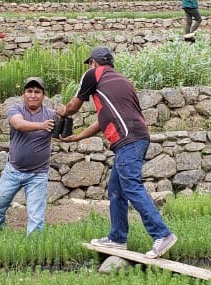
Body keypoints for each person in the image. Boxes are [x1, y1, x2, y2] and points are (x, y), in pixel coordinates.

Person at [57, 46, 178, 258]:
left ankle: (162, 234)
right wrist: (77, 137)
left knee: (131, 185)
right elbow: (104, 119)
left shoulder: (93, 74)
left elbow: (73, 107)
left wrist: (63, 111)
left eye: (89, 63)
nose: (89, 66)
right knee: (116, 188)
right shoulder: (122, 81)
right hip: (137, 136)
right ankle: (117, 238)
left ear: (93, 63)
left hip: (128, 139)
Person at [0, 77, 57, 235]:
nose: (33, 95)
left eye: (37, 92)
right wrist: (42, 125)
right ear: (23, 94)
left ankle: (34, 245)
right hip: (13, 171)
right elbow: (18, 124)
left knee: (36, 216)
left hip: (38, 174)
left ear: (43, 95)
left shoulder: (51, 114)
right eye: (29, 91)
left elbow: (62, 135)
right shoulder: (16, 109)